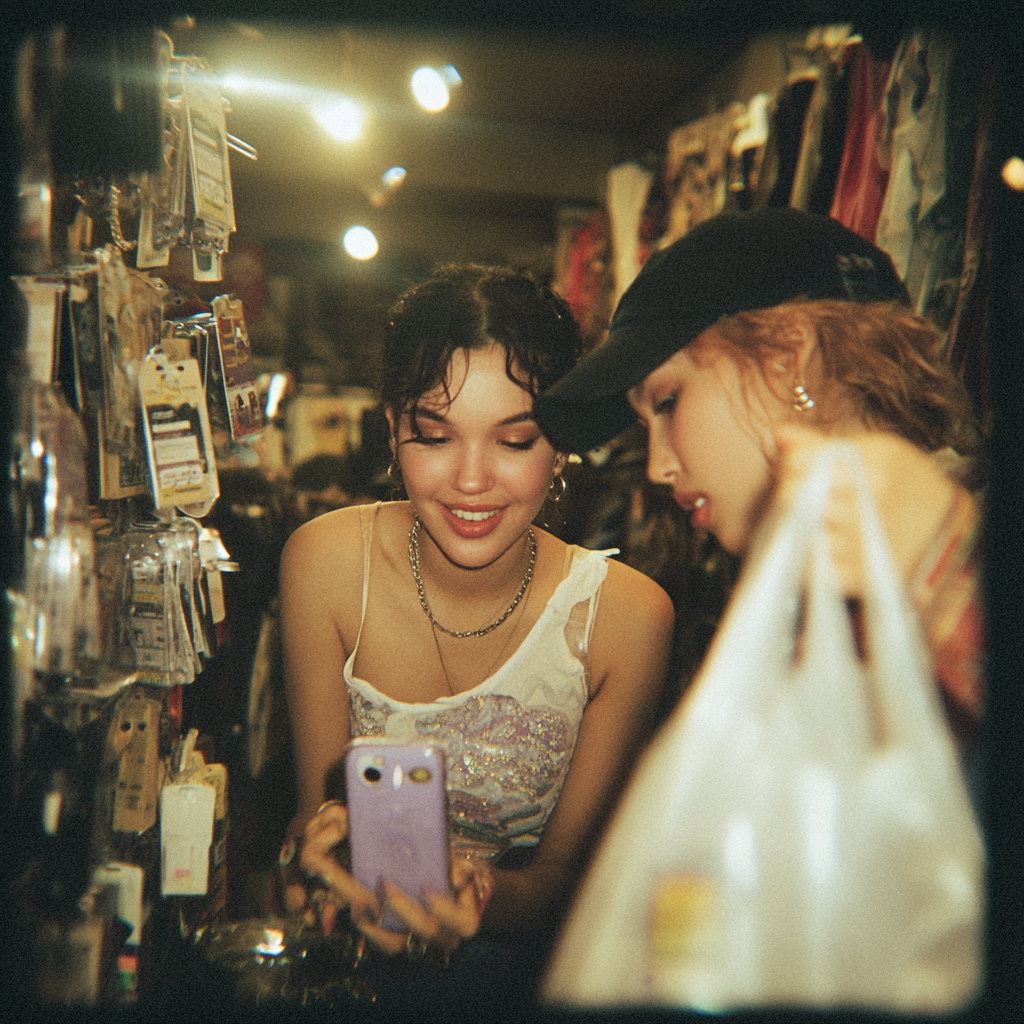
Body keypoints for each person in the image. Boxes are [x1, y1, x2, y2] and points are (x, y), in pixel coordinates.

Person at [278, 265, 674, 1009]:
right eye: (433, 435)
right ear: (393, 426)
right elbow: (314, 813)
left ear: (562, 447)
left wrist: (477, 893)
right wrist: (319, 867)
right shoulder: (324, 564)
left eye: (515, 441)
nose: (470, 479)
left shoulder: (626, 616)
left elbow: (566, 883)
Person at [535, 206, 985, 753]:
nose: (658, 467)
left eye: (669, 401)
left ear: (789, 358)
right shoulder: (797, 589)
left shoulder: (974, 548)